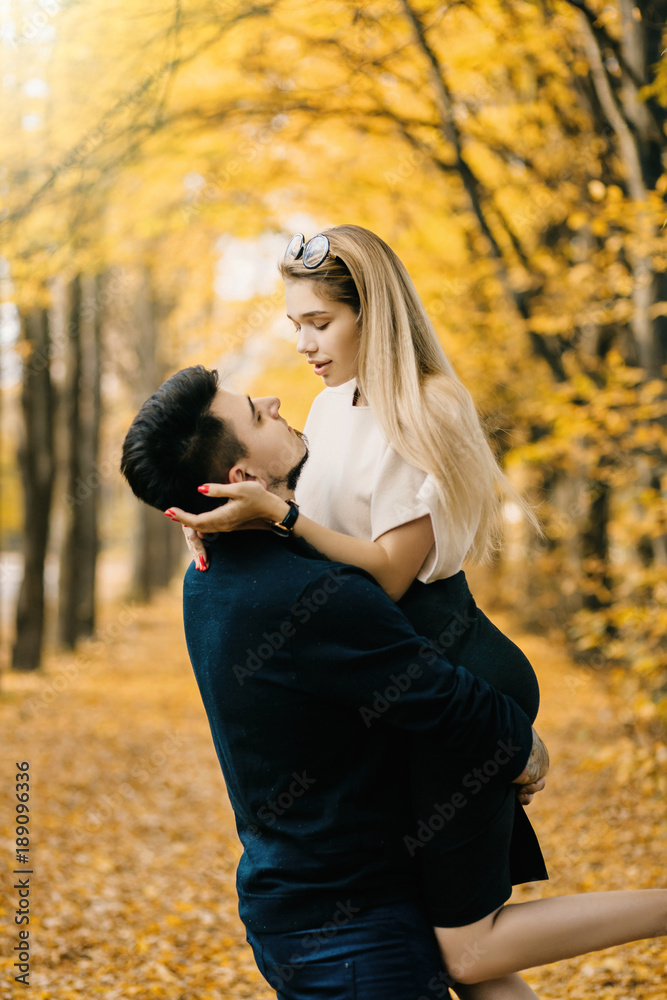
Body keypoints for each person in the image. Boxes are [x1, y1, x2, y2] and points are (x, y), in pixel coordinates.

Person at [165, 227, 667, 997]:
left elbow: (388, 577)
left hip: (448, 662)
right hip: (398, 673)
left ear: (375, 313)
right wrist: (234, 522)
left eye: (319, 322)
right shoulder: (331, 407)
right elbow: (303, 529)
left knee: (466, 950)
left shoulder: (426, 406)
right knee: (458, 957)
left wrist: (281, 519)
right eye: (295, 322)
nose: (302, 342)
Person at [120, 364, 549, 1000]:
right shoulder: (313, 595)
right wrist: (528, 755)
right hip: (356, 939)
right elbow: (446, 701)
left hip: (297, 907)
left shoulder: (206, 581)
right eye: (256, 415)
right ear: (240, 480)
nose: (271, 399)